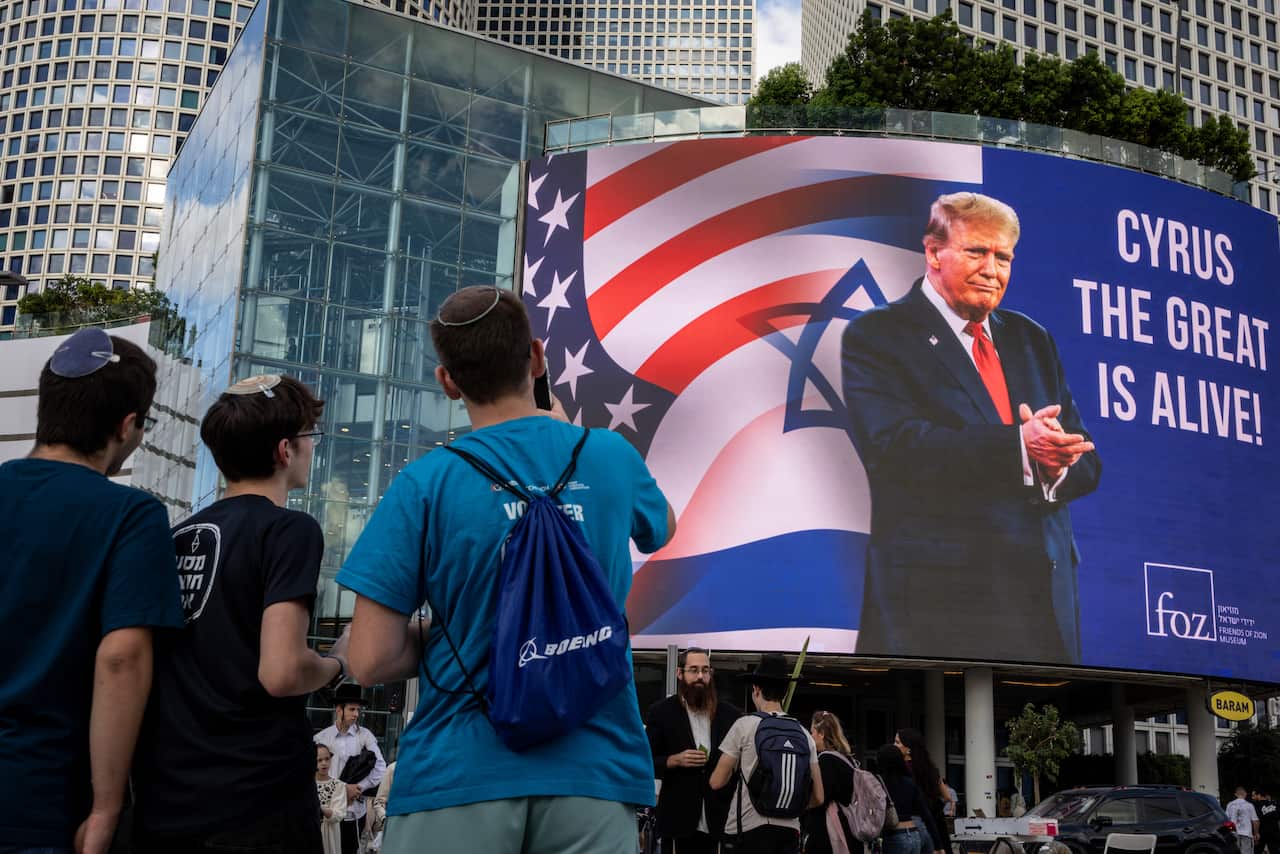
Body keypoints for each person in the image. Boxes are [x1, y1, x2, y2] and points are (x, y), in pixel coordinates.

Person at [339, 286, 676, 854]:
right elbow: (661, 526)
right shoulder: (609, 456)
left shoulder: (424, 484)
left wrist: (447, 634)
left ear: (448, 383)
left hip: (458, 775)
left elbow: (369, 659)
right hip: (593, 774)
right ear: (538, 359)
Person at [841, 191, 1102, 664]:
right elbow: (895, 450)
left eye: (1004, 257)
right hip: (938, 608)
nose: (992, 269)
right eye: (977, 252)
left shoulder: (1031, 338)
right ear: (933, 252)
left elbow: (1085, 459)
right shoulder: (878, 335)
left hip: (1043, 605)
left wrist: (1054, 464)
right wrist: (1019, 450)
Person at [131, 374, 349, 853]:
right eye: (310, 437)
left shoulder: (178, 536)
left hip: (168, 798)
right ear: (285, 450)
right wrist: (336, 663)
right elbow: (282, 670)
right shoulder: (289, 531)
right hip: (257, 800)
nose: (314, 448)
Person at [0, 328, 183, 854]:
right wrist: (106, 807)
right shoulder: (131, 515)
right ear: (127, 426)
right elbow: (122, 657)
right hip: (38, 800)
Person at [708, 654, 823, 854]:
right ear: (785, 692)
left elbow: (716, 781)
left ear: (756, 689)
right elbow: (819, 797)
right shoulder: (804, 734)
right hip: (789, 831)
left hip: (747, 829)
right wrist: (790, 806)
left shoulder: (744, 725)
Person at [646, 647, 743, 854]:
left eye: (705, 670)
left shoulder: (731, 715)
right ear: (679, 673)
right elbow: (645, 761)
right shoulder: (661, 712)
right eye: (694, 670)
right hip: (677, 819)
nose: (700, 676)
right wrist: (674, 760)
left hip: (718, 820)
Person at [313, 684, 387, 854]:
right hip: (328, 811)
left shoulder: (365, 736)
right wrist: (340, 789)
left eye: (358, 710)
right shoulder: (321, 737)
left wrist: (358, 787)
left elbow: (380, 767)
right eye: (352, 709)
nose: (356, 714)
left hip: (354, 812)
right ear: (339, 709)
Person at [805, 711, 861, 854]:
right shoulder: (848, 760)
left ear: (821, 734)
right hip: (851, 831)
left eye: (812, 732)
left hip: (830, 835)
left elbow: (819, 798)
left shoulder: (826, 761)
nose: (810, 737)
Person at [875, 744, 943, 854]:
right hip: (914, 834)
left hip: (894, 835)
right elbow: (926, 815)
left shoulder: (879, 783)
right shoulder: (910, 783)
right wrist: (938, 844)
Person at [895, 728, 951, 854]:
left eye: (897, 742)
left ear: (908, 748)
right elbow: (947, 797)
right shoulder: (930, 768)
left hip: (911, 824)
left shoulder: (901, 770)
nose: (894, 746)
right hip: (935, 823)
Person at [316, 744, 347, 854]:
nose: (324, 763)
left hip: (329, 836)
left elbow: (339, 814)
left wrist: (321, 809)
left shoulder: (338, 785)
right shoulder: (306, 785)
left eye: (327, 759)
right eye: (319, 760)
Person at [1228, 786, 1261, 854]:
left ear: (1235, 794)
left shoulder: (1230, 805)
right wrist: (1256, 833)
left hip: (1234, 834)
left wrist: (1230, 831)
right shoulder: (1249, 805)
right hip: (1247, 834)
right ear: (1245, 794)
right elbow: (1255, 821)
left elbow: (1226, 820)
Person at [1254, 789, 1279, 854]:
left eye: (1256, 795)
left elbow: (1257, 820)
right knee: (1274, 850)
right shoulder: (1274, 804)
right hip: (1274, 832)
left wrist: (1255, 833)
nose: (1255, 797)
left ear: (1259, 795)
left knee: (1257, 851)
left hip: (1263, 833)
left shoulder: (1257, 806)